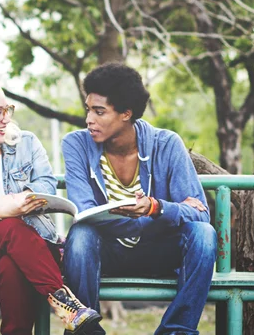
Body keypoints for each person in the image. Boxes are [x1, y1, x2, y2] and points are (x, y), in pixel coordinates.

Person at [62, 63, 217, 335]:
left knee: (203, 234)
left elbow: (201, 214)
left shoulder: (166, 144)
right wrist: (152, 217)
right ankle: (85, 331)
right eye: (88, 109)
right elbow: (84, 212)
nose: (89, 119)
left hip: (157, 250)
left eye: (99, 112)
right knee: (81, 235)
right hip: (106, 251)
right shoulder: (76, 144)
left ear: (126, 113)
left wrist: (155, 207)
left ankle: (176, 331)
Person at [0, 78, 102, 335]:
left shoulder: (26, 143)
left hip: (37, 243)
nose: (5, 118)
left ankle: (64, 313)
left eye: (7, 110)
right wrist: (6, 211)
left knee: (12, 264)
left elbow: (47, 187)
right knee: (11, 227)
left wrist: (6, 201)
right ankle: (67, 304)